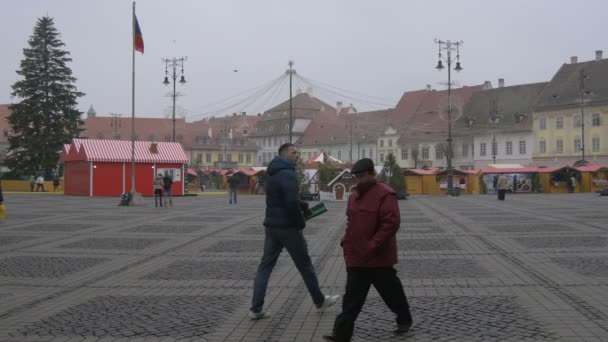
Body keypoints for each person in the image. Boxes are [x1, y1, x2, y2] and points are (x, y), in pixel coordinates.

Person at [323, 158, 412, 342]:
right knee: (351, 298)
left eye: (363, 176)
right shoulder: (354, 195)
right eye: (357, 177)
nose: (359, 180)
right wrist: (346, 240)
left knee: (392, 292)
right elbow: (351, 221)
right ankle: (341, 335)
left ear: (372, 173)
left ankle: (404, 319)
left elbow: (391, 223)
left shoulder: (385, 194)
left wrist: (373, 244)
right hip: (357, 256)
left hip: (379, 257)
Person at [249, 143, 339, 320]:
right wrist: (300, 223)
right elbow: (290, 202)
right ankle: (320, 301)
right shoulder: (288, 173)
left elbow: (280, 198)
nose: (297, 155)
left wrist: (302, 204)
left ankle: (255, 308)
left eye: (298, 152)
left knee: (265, 267)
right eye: (293, 152)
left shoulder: (272, 172)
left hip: (271, 227)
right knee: (305, 265)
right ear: (284, 154)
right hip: (288, 228)